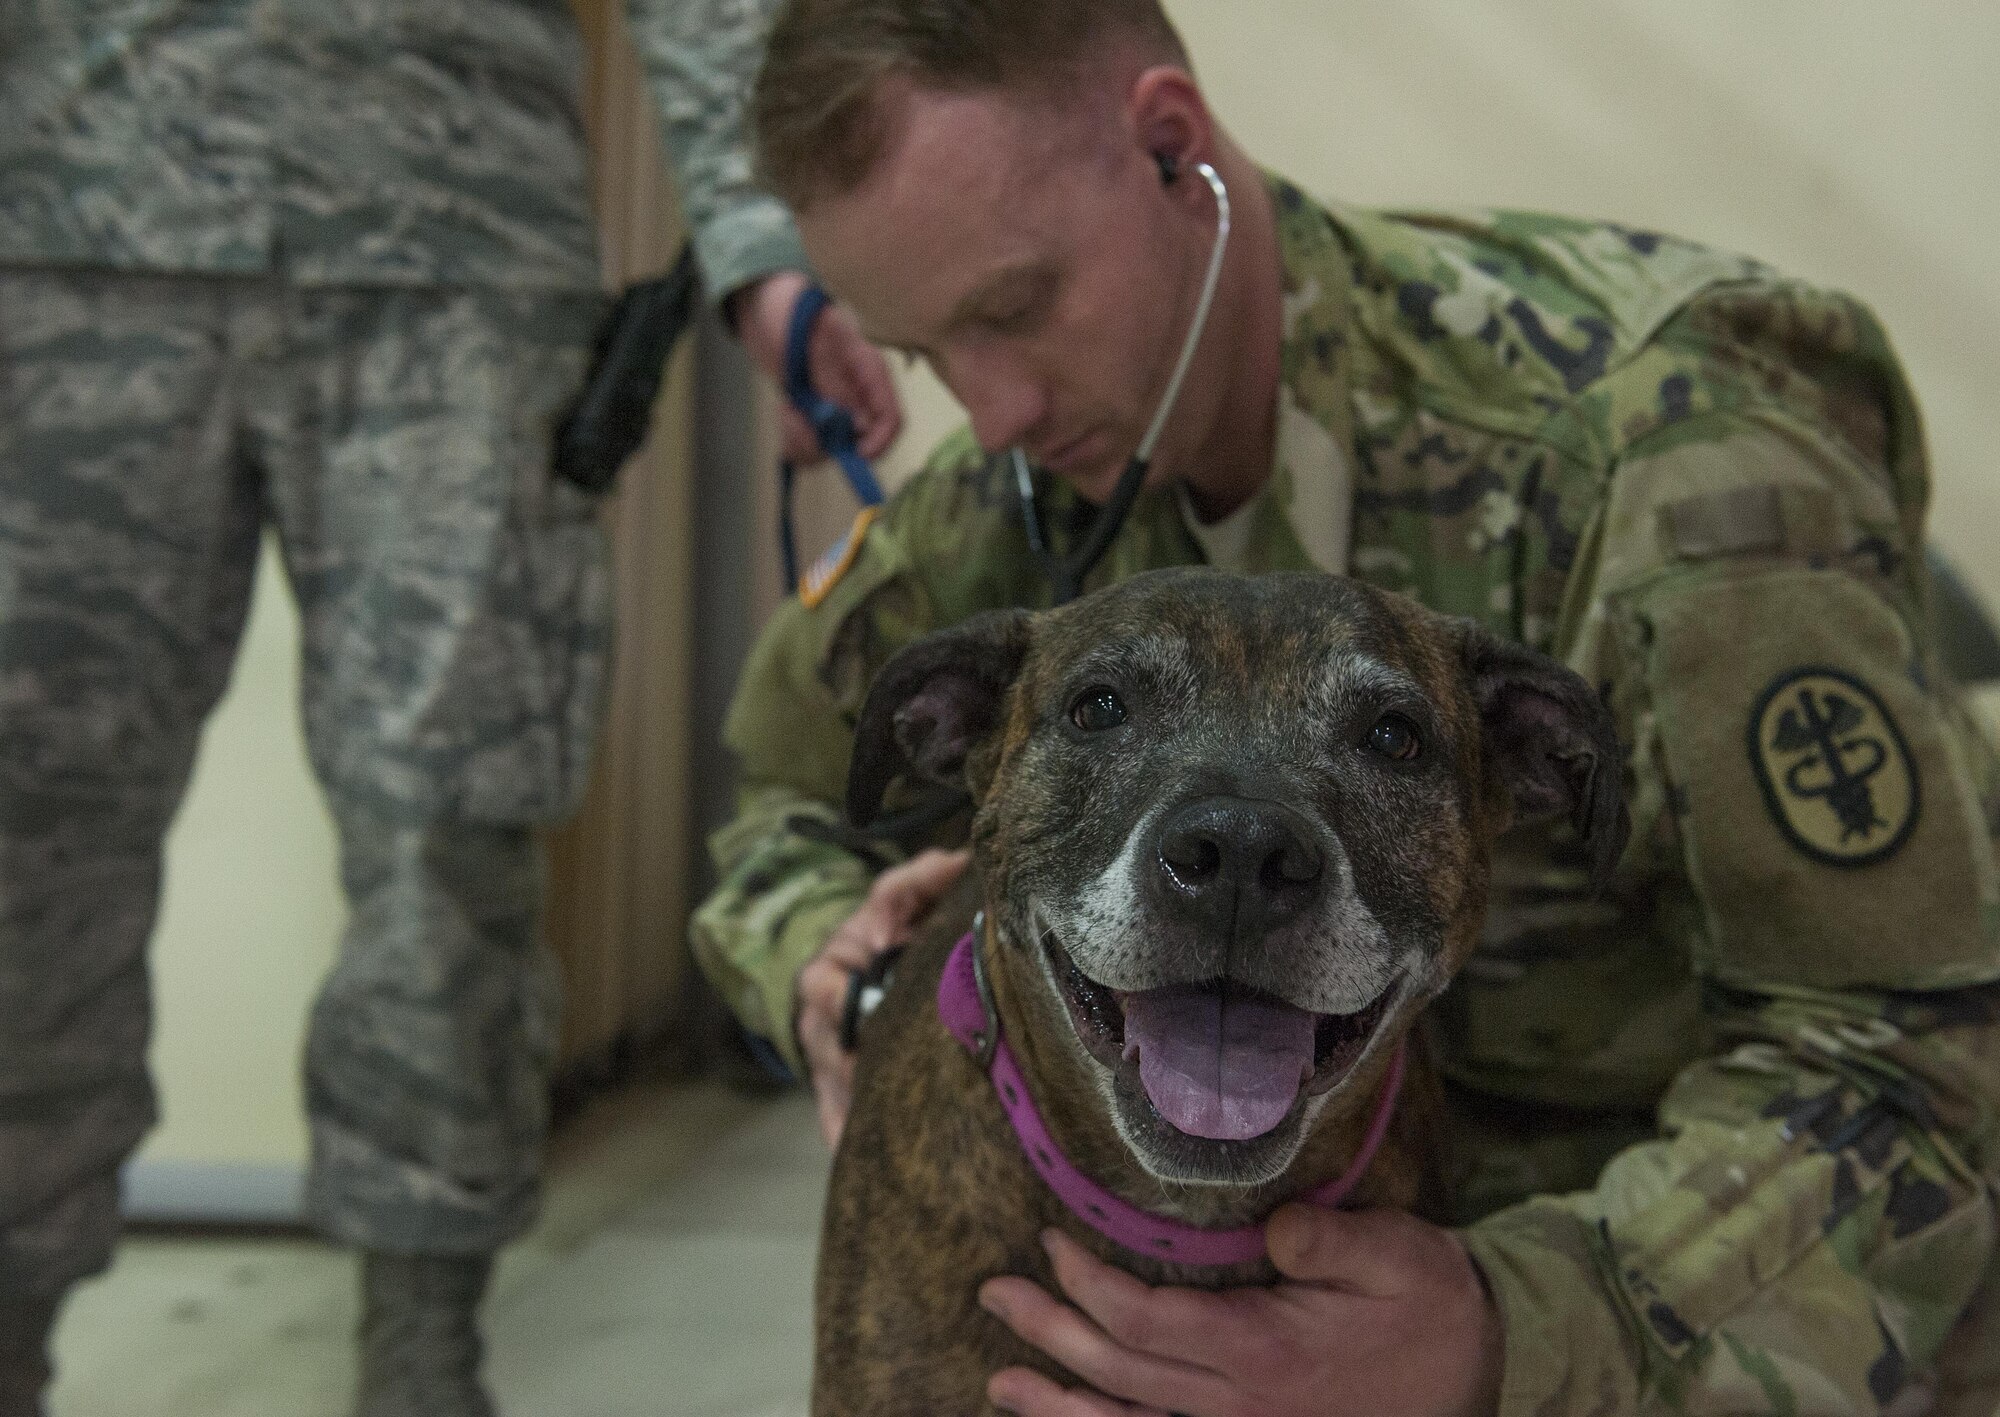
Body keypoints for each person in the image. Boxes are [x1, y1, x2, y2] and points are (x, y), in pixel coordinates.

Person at [690, 0, 2000, 1411]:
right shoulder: (1025, 489)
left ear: (1166, 146)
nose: (991, 409)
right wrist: (832, 962)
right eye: (926, 353)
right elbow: (775, 791)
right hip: (1243, 1251)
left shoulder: (1664, 452)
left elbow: (1914, 1060)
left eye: (1013, 305)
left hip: (1706, 1280)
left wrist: (1520, 1333)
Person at [0, 3, 897, 1415]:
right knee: (23, 830)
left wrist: (767, 252)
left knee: (450, 832)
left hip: (456, 246)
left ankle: (420, 1360)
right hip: (75, 224)